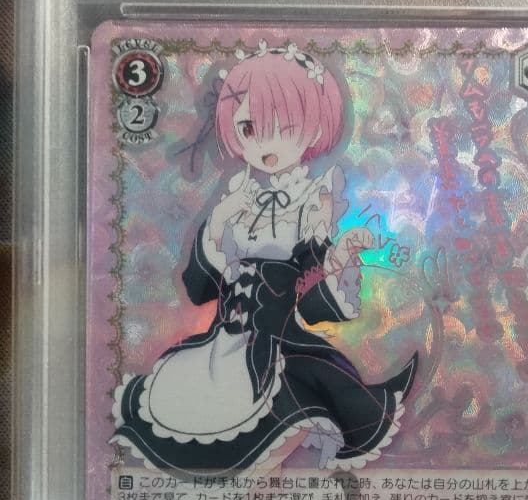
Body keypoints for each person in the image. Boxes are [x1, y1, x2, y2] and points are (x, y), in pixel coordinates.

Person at [111, 40, 418, 474]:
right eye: (249, 128)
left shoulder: (311, 203)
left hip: (280, 346)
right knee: (178, 400)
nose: (265, 143)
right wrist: (218, 226)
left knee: (307, 399)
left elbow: (312, 301)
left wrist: (342, 256)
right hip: (222, 344)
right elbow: (200, 290)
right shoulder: (236, 200)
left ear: (314, 128)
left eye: (284, 126)